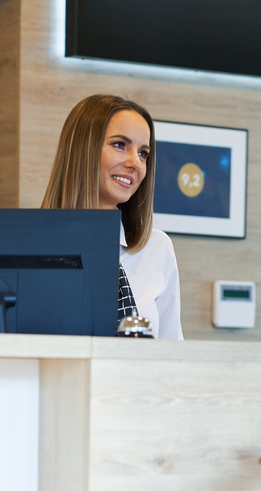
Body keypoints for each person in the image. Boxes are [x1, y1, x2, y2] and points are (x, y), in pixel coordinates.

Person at [42, 94, 183, 339]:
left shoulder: (157, 248)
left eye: (143, 153)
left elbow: (172, 352)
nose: (135, 163)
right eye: (120, 145)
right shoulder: (35, 244)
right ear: (82, 149)